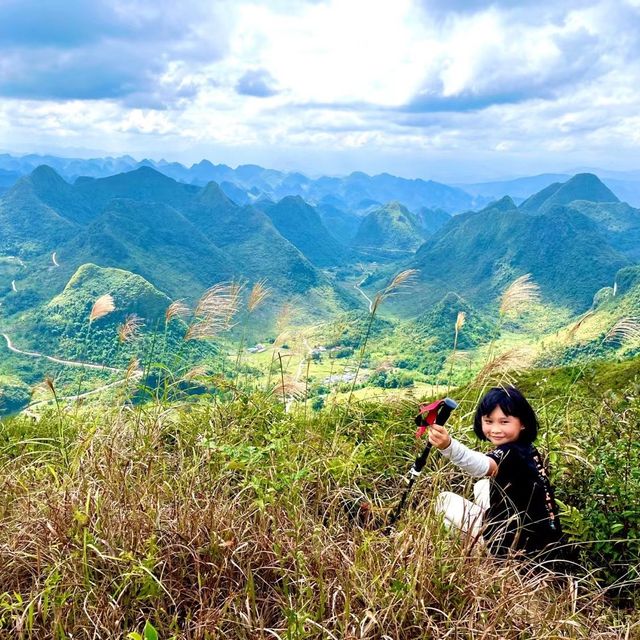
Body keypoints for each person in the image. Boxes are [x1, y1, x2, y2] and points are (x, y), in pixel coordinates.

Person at [429, 386, 563, 558]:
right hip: (544, 540)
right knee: (482, 486)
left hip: (514, 551)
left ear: (523, 423)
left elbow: (482, 466)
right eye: (489, 421)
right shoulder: (527, 449)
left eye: (504, 421)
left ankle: (486, 556)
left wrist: (448, 446)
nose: (495, 429)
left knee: (443, 500)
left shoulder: (510, 453)